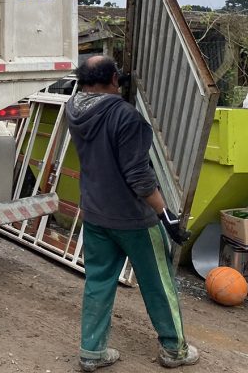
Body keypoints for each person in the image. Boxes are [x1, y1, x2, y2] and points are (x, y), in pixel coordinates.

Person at [66, 55, 198, 371]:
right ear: (114, 80)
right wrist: (165, 214)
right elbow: (139, 176)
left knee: (98, 281)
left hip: (96, 214)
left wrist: (111, 84)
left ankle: (91, 352)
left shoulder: (73, 109)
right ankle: (174, 351)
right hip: (134, 219)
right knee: (158, 284)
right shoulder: (125, 117)